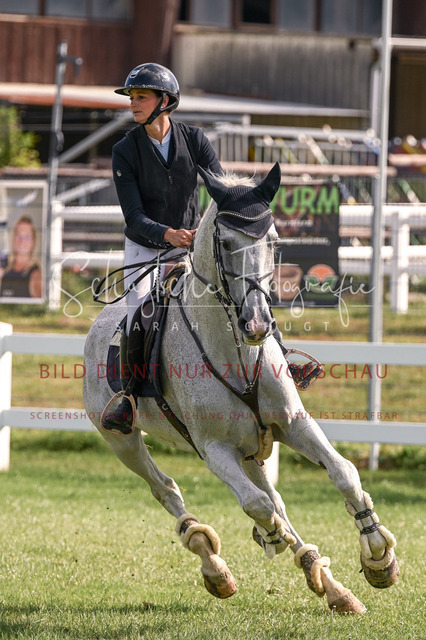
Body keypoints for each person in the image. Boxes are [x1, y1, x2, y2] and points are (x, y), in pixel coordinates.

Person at [103, 62, 223, 433]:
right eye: (131, 98)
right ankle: (127, 396)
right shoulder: (125, 150)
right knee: (139, 311)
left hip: (190, 245)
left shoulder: (195, 139)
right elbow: (133, 217)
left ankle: (281, 356)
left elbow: (220, 188)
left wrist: (204, 229)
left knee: (237, 291)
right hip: (144, 249)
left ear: (165, 101)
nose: (133, 104)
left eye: (141, 97)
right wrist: (167, 234)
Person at [0, 215, 42, 299]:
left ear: (33, 241)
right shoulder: (4, 267)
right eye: (18, 236)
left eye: (27, 237)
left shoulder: (36, 275)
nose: (21, 241)